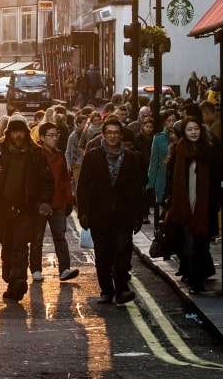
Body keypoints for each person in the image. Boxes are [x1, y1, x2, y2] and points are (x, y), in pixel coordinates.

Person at [76, 116, 146, 305]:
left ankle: (122, 289)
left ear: (121, 135)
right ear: (103, 135)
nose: (113, 136)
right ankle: (106, 290)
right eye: (109, 133)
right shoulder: (92, 156)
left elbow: (137, 188)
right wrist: (83, 212)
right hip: (99, 214)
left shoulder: (131, 158)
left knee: (123, 250)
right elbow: (82, 186)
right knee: (103, 254)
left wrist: (139, 215)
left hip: (123, 215)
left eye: (116, 133)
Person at [0, 114, 53, 302]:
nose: (18, 136)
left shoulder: (36, 154)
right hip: (3, 207)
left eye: (21, 131)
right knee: (6, 242)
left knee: (20, 245)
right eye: (14, 132)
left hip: (26, 208)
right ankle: (11, 278)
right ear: (9, 133)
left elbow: (47, 180)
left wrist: (45, 201)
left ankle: (19, 280)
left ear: (26, 133)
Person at [164, 117, 220, 294]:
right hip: (184, 205)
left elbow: (216, 179)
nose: (194, 132)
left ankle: (197, 280)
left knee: (201, 244)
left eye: (196, 128)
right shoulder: (178, 150)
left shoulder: (209, 150)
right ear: (184, 132)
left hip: (204, 206)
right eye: (190, 129)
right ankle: (193, 277)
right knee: (189, 245)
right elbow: (171, 178)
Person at [34, 122, 79, 283]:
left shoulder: (59, 155)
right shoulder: (35, 155)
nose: (55, 138)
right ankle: (36, 270)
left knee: (60, 236)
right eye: (51, 135)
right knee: (37, 238)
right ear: (42, 137)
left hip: (58, 203)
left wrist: (68, 200)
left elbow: (65, 180)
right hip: (40, 205)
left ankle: (64, 269)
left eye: (56, 135)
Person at [146, 111, 177, 227]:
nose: (171, 123)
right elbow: (153, 161)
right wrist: (150, 182)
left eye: (173, 120)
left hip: (176, 176)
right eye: (169, 121)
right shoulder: (158, 138)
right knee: (162, 206)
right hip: (162, 176)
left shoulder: (181, 137)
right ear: (164, 122)